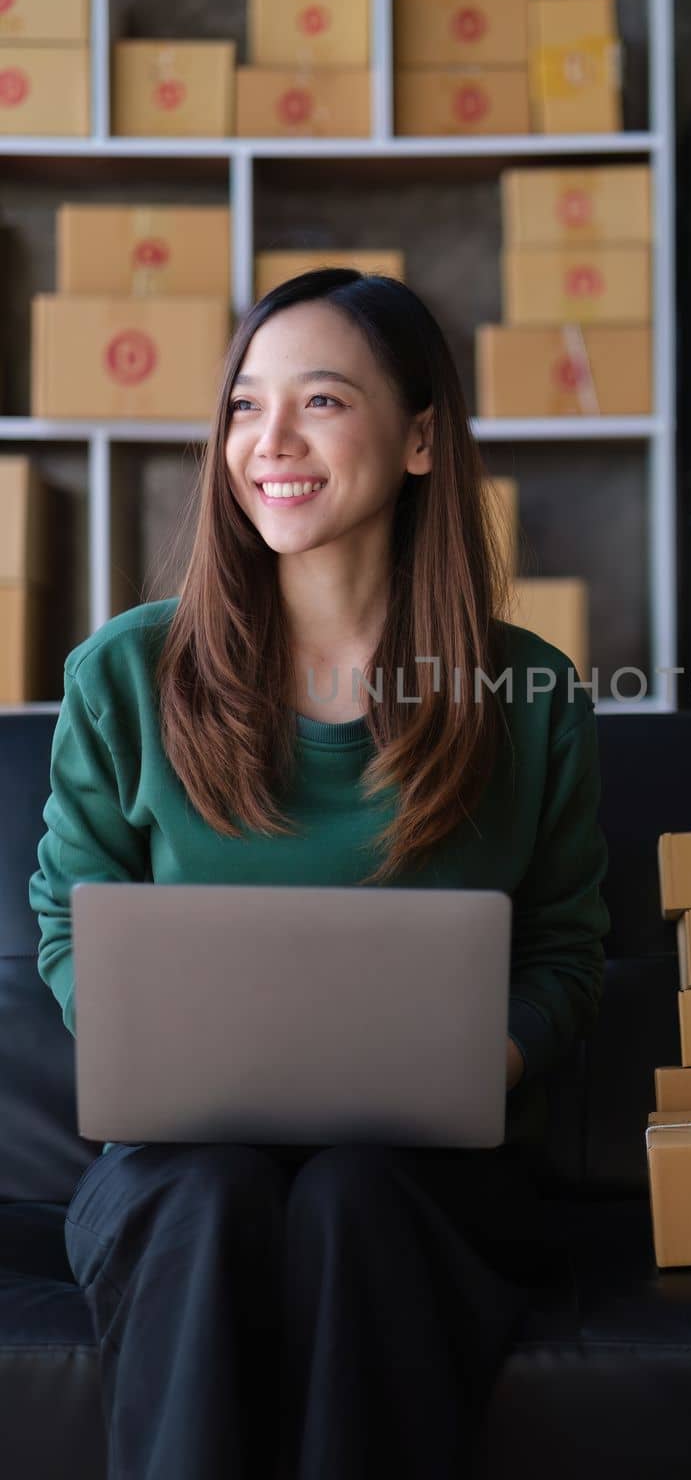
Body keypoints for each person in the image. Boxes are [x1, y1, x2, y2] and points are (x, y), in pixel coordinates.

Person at [28, 267, 612, 1479]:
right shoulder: (124, 676)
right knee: (208, 1199)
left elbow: (566, 947)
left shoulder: (528, 692)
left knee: (354, 1197)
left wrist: (478, 1062)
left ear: (418, 440)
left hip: (431, 1179)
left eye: (323, 402)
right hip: (176, 1172)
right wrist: (150, 1051)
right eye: (244, 405)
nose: (269, 443)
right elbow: (66, 922)